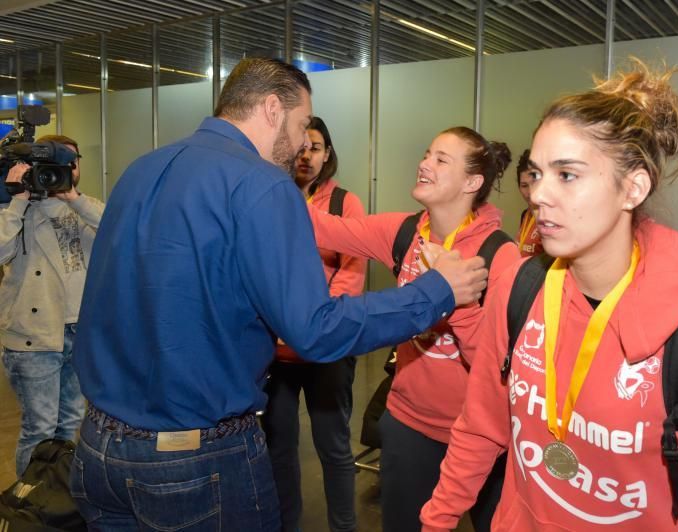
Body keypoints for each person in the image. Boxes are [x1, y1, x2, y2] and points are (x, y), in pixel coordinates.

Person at [69, 58, 488, 532]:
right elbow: (316, 330)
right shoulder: (262, 184)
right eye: (302, 123)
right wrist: (436, 292)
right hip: (192, 464)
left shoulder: (143, 169)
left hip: (97, 451)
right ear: (272, 108)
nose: (302, 143)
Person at [420, 60, 678, 531]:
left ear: (633, 187)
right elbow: (480, 427)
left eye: (567, 175)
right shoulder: (519, 288)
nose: (540, 193)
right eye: (537, 173)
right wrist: (436, 521)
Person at [307, 126, 520, 532]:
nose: (424, 164)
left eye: (441, 160)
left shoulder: (499, 255)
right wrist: (258, 180)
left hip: (481, 436)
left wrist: (455, 300)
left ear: (472, 182)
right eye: (427, 154)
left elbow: (499, 369)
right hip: (408, 424)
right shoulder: (405, 233)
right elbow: (325, 228)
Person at [262, 116, 366, 532]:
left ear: (328, 154)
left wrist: (313, 323)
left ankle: (344, 527)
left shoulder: (345, 204)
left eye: (316, 147)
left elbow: (352, 273)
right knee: (280, 449)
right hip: (278, 352)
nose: (307, 155)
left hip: (329, 346)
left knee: (334, 447)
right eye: (301, 146)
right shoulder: (270, 199)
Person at [0, 134, 104, 477]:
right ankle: (29, 506)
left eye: (71, 161)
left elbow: (118, 232)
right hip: (34, 337)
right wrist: (17, 202)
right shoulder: (17, 209)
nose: (67, 168)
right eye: (58, 162)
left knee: (70, 425)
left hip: (79, 332)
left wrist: (73, 198)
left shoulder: (84, 207)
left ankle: (57, 502)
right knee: (40, 428)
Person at [514, 149, 542, 257]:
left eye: (534, 183)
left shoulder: (551, 219)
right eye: (524, 186)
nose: (530, 192)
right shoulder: (525, 215)